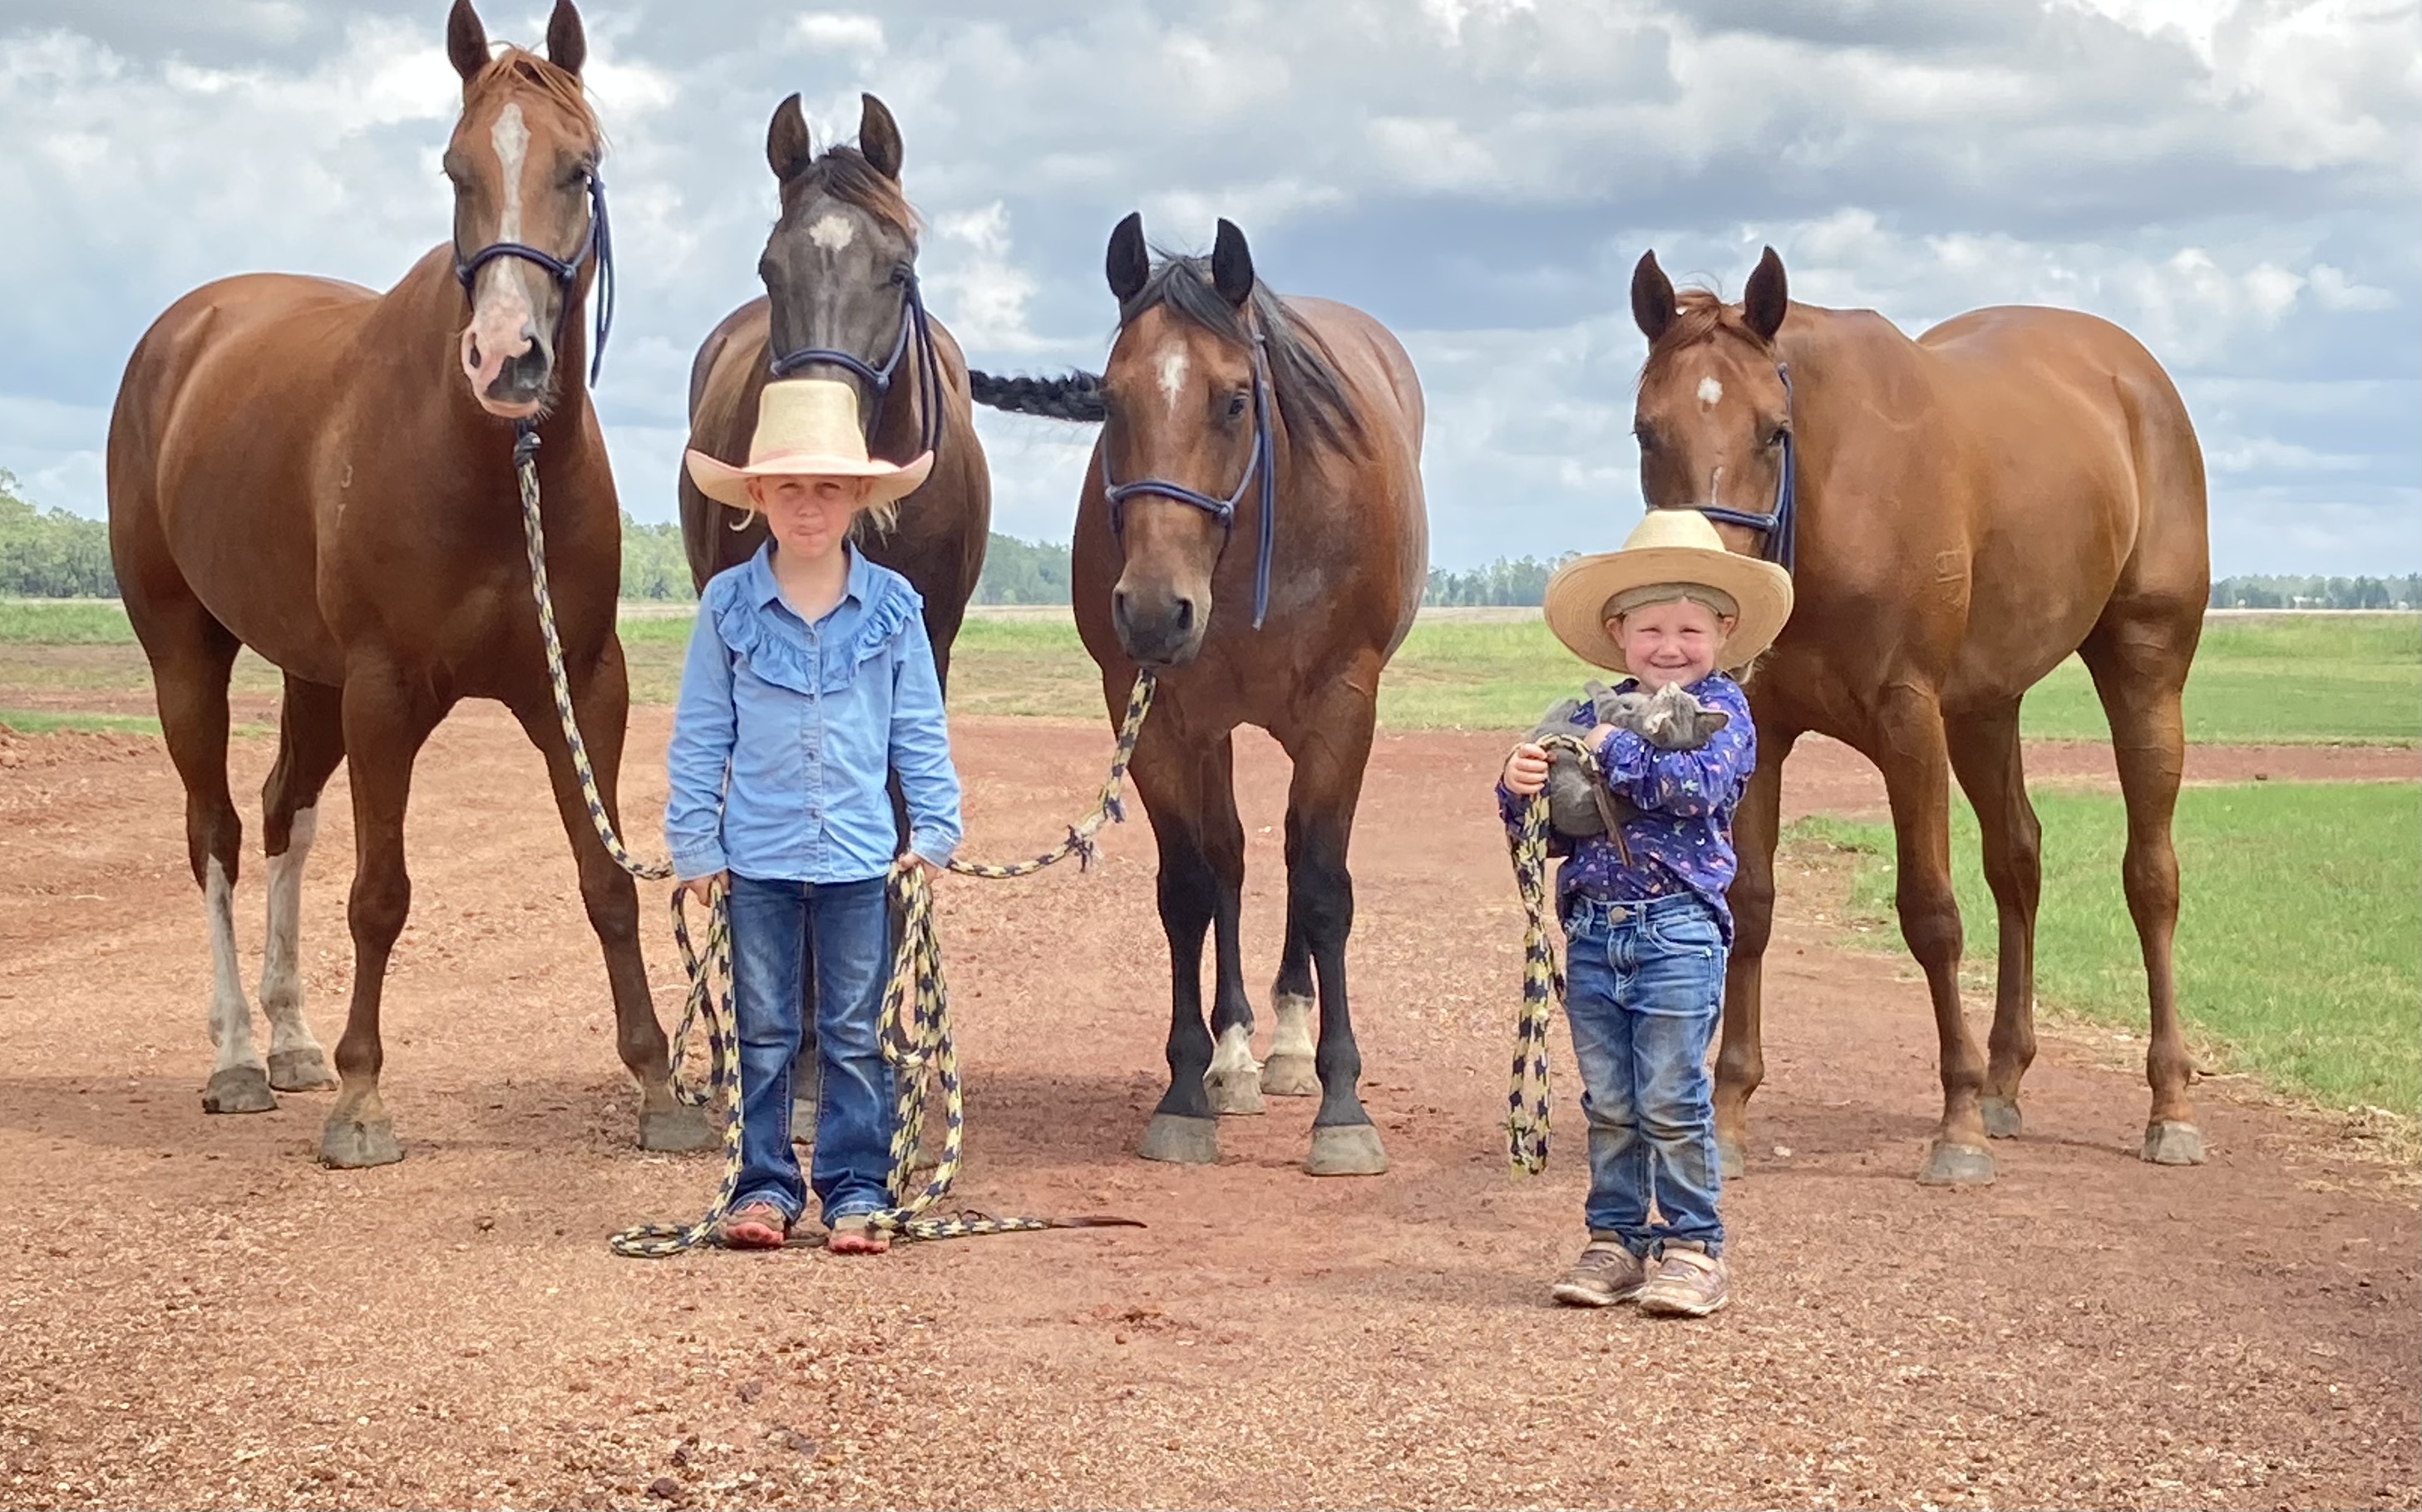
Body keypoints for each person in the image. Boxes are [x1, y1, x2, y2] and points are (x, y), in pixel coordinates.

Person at [667, 377, 959, 1258]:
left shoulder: (894, 608)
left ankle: (857, 1186)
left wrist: (935, 827)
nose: (807, 506)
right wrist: (694, 840)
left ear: (859, 496)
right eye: (789, 487)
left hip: (859, 862)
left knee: (855, 1033)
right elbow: (701, 732)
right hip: (754, 861)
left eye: (828, 487)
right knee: (761, 1030)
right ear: (757, 494)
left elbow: (918, 728)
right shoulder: (727, 607)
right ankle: (761, 1183)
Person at [1497, 509, 1793, 1317]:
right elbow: (1553, 829)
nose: (1670, 646)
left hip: (1679, 932)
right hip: (1594, 931)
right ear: (1618, 633)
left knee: (1670, 1097)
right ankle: (1616, 1241)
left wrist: (1609, 746)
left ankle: (1694, 1247)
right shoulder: (1585, 714)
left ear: (1723, 633)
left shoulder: (1724, 713)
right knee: (1611, 1103)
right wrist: (1521, 784)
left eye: (1689, 629)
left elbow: (1693, 786)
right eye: (1651, 629)